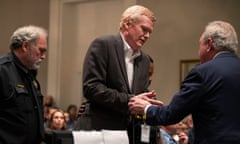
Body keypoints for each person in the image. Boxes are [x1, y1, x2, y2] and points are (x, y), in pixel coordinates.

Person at [129, 20, 240, 143]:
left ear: (209, 44)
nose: (198, 52)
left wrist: (146, 108)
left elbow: (171, 114)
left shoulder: (203, 73)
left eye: (199, 46)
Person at [74, 5, 156, 144]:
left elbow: (138, 93)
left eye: (150, 32)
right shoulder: (103, 45)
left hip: (126, 134)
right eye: (144, 29)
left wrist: (148, 102)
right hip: (97, 130)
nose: (147, 35)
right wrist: (130, 100)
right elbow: (91, 88)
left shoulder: (145, 60)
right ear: (127, 24)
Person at [0, 25, 48, 144]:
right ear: (25, 46)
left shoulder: (29, 74)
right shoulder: (2, 71)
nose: (43, 56)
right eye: (41, 50)